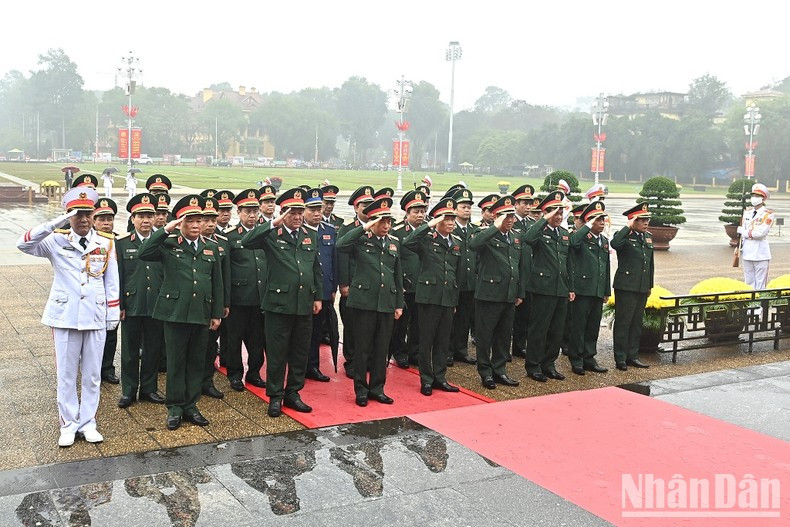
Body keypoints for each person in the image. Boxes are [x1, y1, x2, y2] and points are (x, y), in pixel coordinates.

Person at [17, 187, 120, 447]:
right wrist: (56, 222)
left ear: (94, 215)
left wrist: (112, 314)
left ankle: (88, 423)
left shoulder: (106, 242)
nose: (83, 219)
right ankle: (68, 424)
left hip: (95, 315)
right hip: (65, 316)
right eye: (77, 215)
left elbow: (112, 281)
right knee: (66, 374)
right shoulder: (55, 240)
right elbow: (24, 243)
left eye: (87, 214)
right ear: (68, 217)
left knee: (93, 374)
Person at [138, 195, 224, 430]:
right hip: (175, 312)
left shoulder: (211, 248)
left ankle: (191, 405)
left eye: (199, 221)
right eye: (190, 221)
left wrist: (216, 313)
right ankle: (175, 408)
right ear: (180, 223)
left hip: (201, 312)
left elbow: (217, 282)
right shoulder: (169, 244)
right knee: (176, 362)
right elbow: (144, 252)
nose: (196, 226)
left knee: (197, 361)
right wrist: (165, 229)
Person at [241, 188, 323, 417]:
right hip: (279, 304)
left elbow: (315, 267)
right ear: (283, 213)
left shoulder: (310, 235)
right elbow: (246, 241)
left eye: (300, 212)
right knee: (277, 353)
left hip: (304, 303)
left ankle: (293, 393)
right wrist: (273, 223)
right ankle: (275, 396)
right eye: (292, 213)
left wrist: (317, 296)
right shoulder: (271, 234)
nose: (297, 217)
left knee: (299, 352)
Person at [336, 196, 404, 407]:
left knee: (381, 348)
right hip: (364, 302)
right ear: (372, 222)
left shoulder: (394, 243)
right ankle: (361, 390)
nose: (386, 226)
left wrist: (399, 303)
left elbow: (398, 275)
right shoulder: (360, 239)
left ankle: (377, 388)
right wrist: (364, 227)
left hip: (385, 302)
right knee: (362, 348)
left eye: (388, 222)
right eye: (381, 222)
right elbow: (340, 245)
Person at [403, 198, 462, 395]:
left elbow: (457, 273)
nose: (452, 222)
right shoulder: (426, 240)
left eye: (453, 219)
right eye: (447, 219)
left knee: (443, 340)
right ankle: (426, 379)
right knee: (426, 340)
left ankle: (440, 377)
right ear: (438, 221)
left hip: (447, 297)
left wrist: (455, 300)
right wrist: (428, 225)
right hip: (429, 297)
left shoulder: (456, 243)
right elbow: (408, 242)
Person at [115, 193, 166, 408]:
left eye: (150, 215)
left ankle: (149, 388)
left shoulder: (163, 241)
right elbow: (117, 276)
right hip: (132, 304)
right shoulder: (122, 243)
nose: (146, 220)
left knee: (153, 349)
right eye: (141, 216)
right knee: (130, 351)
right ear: (133, 218)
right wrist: (119, 305)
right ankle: (128, 390)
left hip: (156, 304)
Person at [468, 195, 525, 389]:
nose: (509, 220)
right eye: (505, 216)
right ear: (495, 216)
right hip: (489, 293)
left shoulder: (516, 236)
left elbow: (520, 265)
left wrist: (520, 292)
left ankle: (500, 370)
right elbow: (473, 245)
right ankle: (485, 372)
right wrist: (495, 227)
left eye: (511, 216)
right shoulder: (484, 232)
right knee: (485, 335)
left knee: (503, 335)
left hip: (509, 293)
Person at [523, 191, 574, 382]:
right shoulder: (539, 231)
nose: (559, 217)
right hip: (543, 288)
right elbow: (528, 239)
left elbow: (568, 263)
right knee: (539, 329)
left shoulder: (564, 234)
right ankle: (533, 365)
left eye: (561, 214)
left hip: (560, 288)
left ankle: (549, 364)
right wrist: (544, 220)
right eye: (555, 214)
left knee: (556, 330)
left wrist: (571, 287)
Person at [224, 189, 268, 391]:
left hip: (260, 297)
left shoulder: (265, 233)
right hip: (239, 297)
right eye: (247, 211)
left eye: (255, 211)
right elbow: (226, 270)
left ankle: (254, 373)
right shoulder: (230, 237)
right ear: (238, 212)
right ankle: (235, 374)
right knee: (234, 339)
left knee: (257, 339)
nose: (252, 216)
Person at [567, 201, 610, 375]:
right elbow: (573, 242)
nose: (601, 223)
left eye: (602, 220)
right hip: (582, 289)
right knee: (579, 326)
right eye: (597, 220)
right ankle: (576, 359)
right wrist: (587, 226)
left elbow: (606, 267)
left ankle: (589, 357)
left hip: (597, 290)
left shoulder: (604, 241)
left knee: (592, 326)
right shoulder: (580, 237)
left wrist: (606, 290)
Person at [610, 203, 654, 371]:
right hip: (626, 286)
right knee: (624, 322)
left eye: (647, 219)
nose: (646, 223)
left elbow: (650, 264)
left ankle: (632, 355)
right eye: (642, 220)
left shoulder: (647, 237)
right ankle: (620, 357)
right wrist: (627, 227)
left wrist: (649, 284)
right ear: (632, 221)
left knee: (636, 323)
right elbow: (615, 244)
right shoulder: (623, 236)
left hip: (641, 286)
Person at [337, 185, 375, 377]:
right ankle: (351, 360)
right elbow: (342, 256)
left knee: (368, 326)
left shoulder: (379, 227)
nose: (367, 209)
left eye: (371, 205)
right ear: (356, 208)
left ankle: (367, 359)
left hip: (371, 287)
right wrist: (344, 284)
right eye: (364, 205)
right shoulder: (348, 229)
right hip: (353, 286)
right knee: (351, 325)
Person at [389, 190, 427, 368]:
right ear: (407, 212)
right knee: (402, 322)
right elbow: (394, 260)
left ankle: (415, 352)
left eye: (422, 211)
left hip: (423, 284)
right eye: (416, 212)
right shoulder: (397, 232)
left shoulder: (428, 230)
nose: (420, 215)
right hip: (405, 284)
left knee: (419, 322)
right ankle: (399, 352)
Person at [304, 188, 337, 382]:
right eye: (312, 209)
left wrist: (333, 288)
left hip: (323, 289)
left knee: (316, 331)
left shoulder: (329, 230)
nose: (317, 213)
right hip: (305, 290)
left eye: (319, 208)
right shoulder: (300, 231)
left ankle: (313, 366)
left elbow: (333, 260)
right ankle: (298, 366)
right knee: (302, 332)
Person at [200, 196, 231, 399]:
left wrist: (224, 304)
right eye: (206, 220)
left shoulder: (222, 243)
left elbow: (224, 278)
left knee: (210, 345)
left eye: (213, 219)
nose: (210, 224)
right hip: (191, 303)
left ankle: (206, 381)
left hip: (212, 304)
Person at [447, 188, 478, 366]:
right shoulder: (450, 227)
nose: (466, 210)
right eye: (463, 206)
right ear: (455, 209)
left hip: (469, 282)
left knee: (465, 318)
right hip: (454, 282)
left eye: (468, 207)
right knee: (451, 319)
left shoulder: (475, 229)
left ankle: (461, 350)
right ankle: (448, 351)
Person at [92, 198, 121, 385]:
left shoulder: (118, 242)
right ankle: (91, 367)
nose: (106, 223)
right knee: (91, 335)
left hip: (112, 296)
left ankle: (107, 368)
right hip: (93, 297)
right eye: (101, 219)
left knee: (111, 334)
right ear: (94, 221)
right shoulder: (88, 241)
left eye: (109, 219)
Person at [510, 184, 535, 360]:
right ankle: (507, 347)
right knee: (512, 314)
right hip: (515, 273)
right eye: (524, 203)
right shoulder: (510, 222)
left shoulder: (532, 224)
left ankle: (520, 345)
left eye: (530, 203)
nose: (528, 206)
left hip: (530, 275)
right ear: (516, 203)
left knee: (526, 315)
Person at [739, 183, 774, 290]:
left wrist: (743, 232)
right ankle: (750, 305)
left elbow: (759, 234)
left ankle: (759, 306)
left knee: (760, 283)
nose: (754, 198)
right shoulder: (747, 212)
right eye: (753, 196)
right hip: (747, 251)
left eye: (758, 196)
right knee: (748, 281)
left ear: (763, 199)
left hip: (760, 253)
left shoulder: (768, 214)